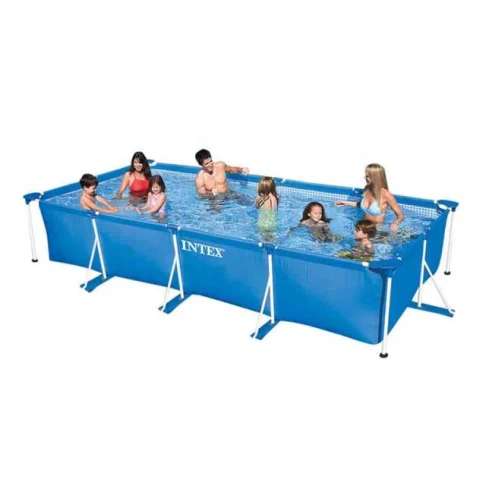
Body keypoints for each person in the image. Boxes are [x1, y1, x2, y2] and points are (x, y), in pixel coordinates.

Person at [335, 163, 404, 232]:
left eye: (368, 176)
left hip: (377, 229)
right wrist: (346, 203)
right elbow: (361, 205)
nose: (365, 178)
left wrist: (395, 223)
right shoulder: (367, 189)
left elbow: (400, 215)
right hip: (362, 226)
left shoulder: (386, 194)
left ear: (375, 177)